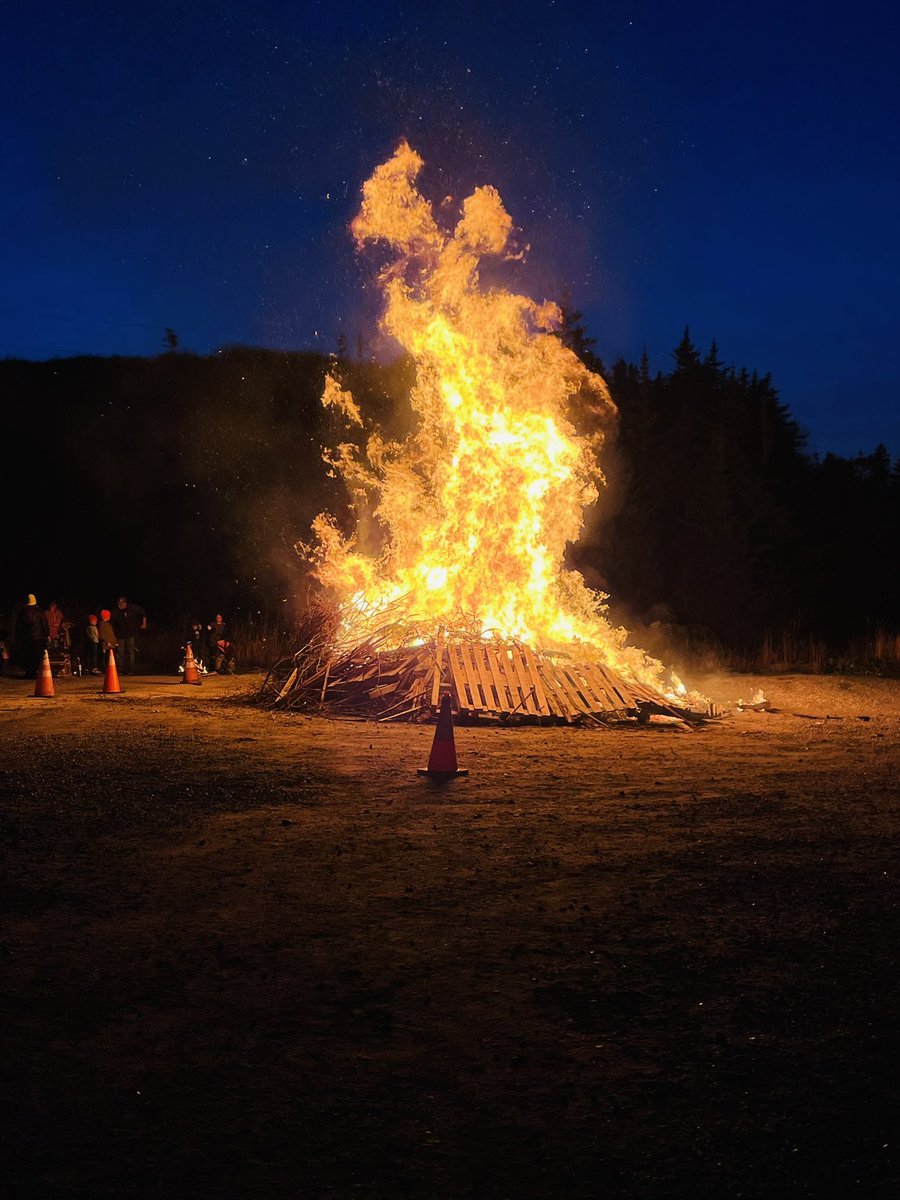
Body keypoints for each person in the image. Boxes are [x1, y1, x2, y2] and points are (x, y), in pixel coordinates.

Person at [15, 594, 50, 678]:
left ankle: (29, 671)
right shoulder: (40, 611)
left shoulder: (22, 612)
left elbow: (19, 625)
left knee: (27, 654)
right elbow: (44, 624)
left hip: (26, 637)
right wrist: (47, 634)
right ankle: (35, 671)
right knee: (36, 655)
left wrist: (18, 636)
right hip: (38, 637)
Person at [112, 596, 147, 675]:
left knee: (131, 652)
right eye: (119, 604)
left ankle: (132, 670)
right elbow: (113, 623)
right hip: (120, 635)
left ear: (125, 603)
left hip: (130, 634)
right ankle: (120, 670)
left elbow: (143, 612)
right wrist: (114, 635)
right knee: (121, 653)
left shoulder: (132, 608)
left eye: (121, 604)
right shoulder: (115, 611)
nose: (120, 606)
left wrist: (144, 623)